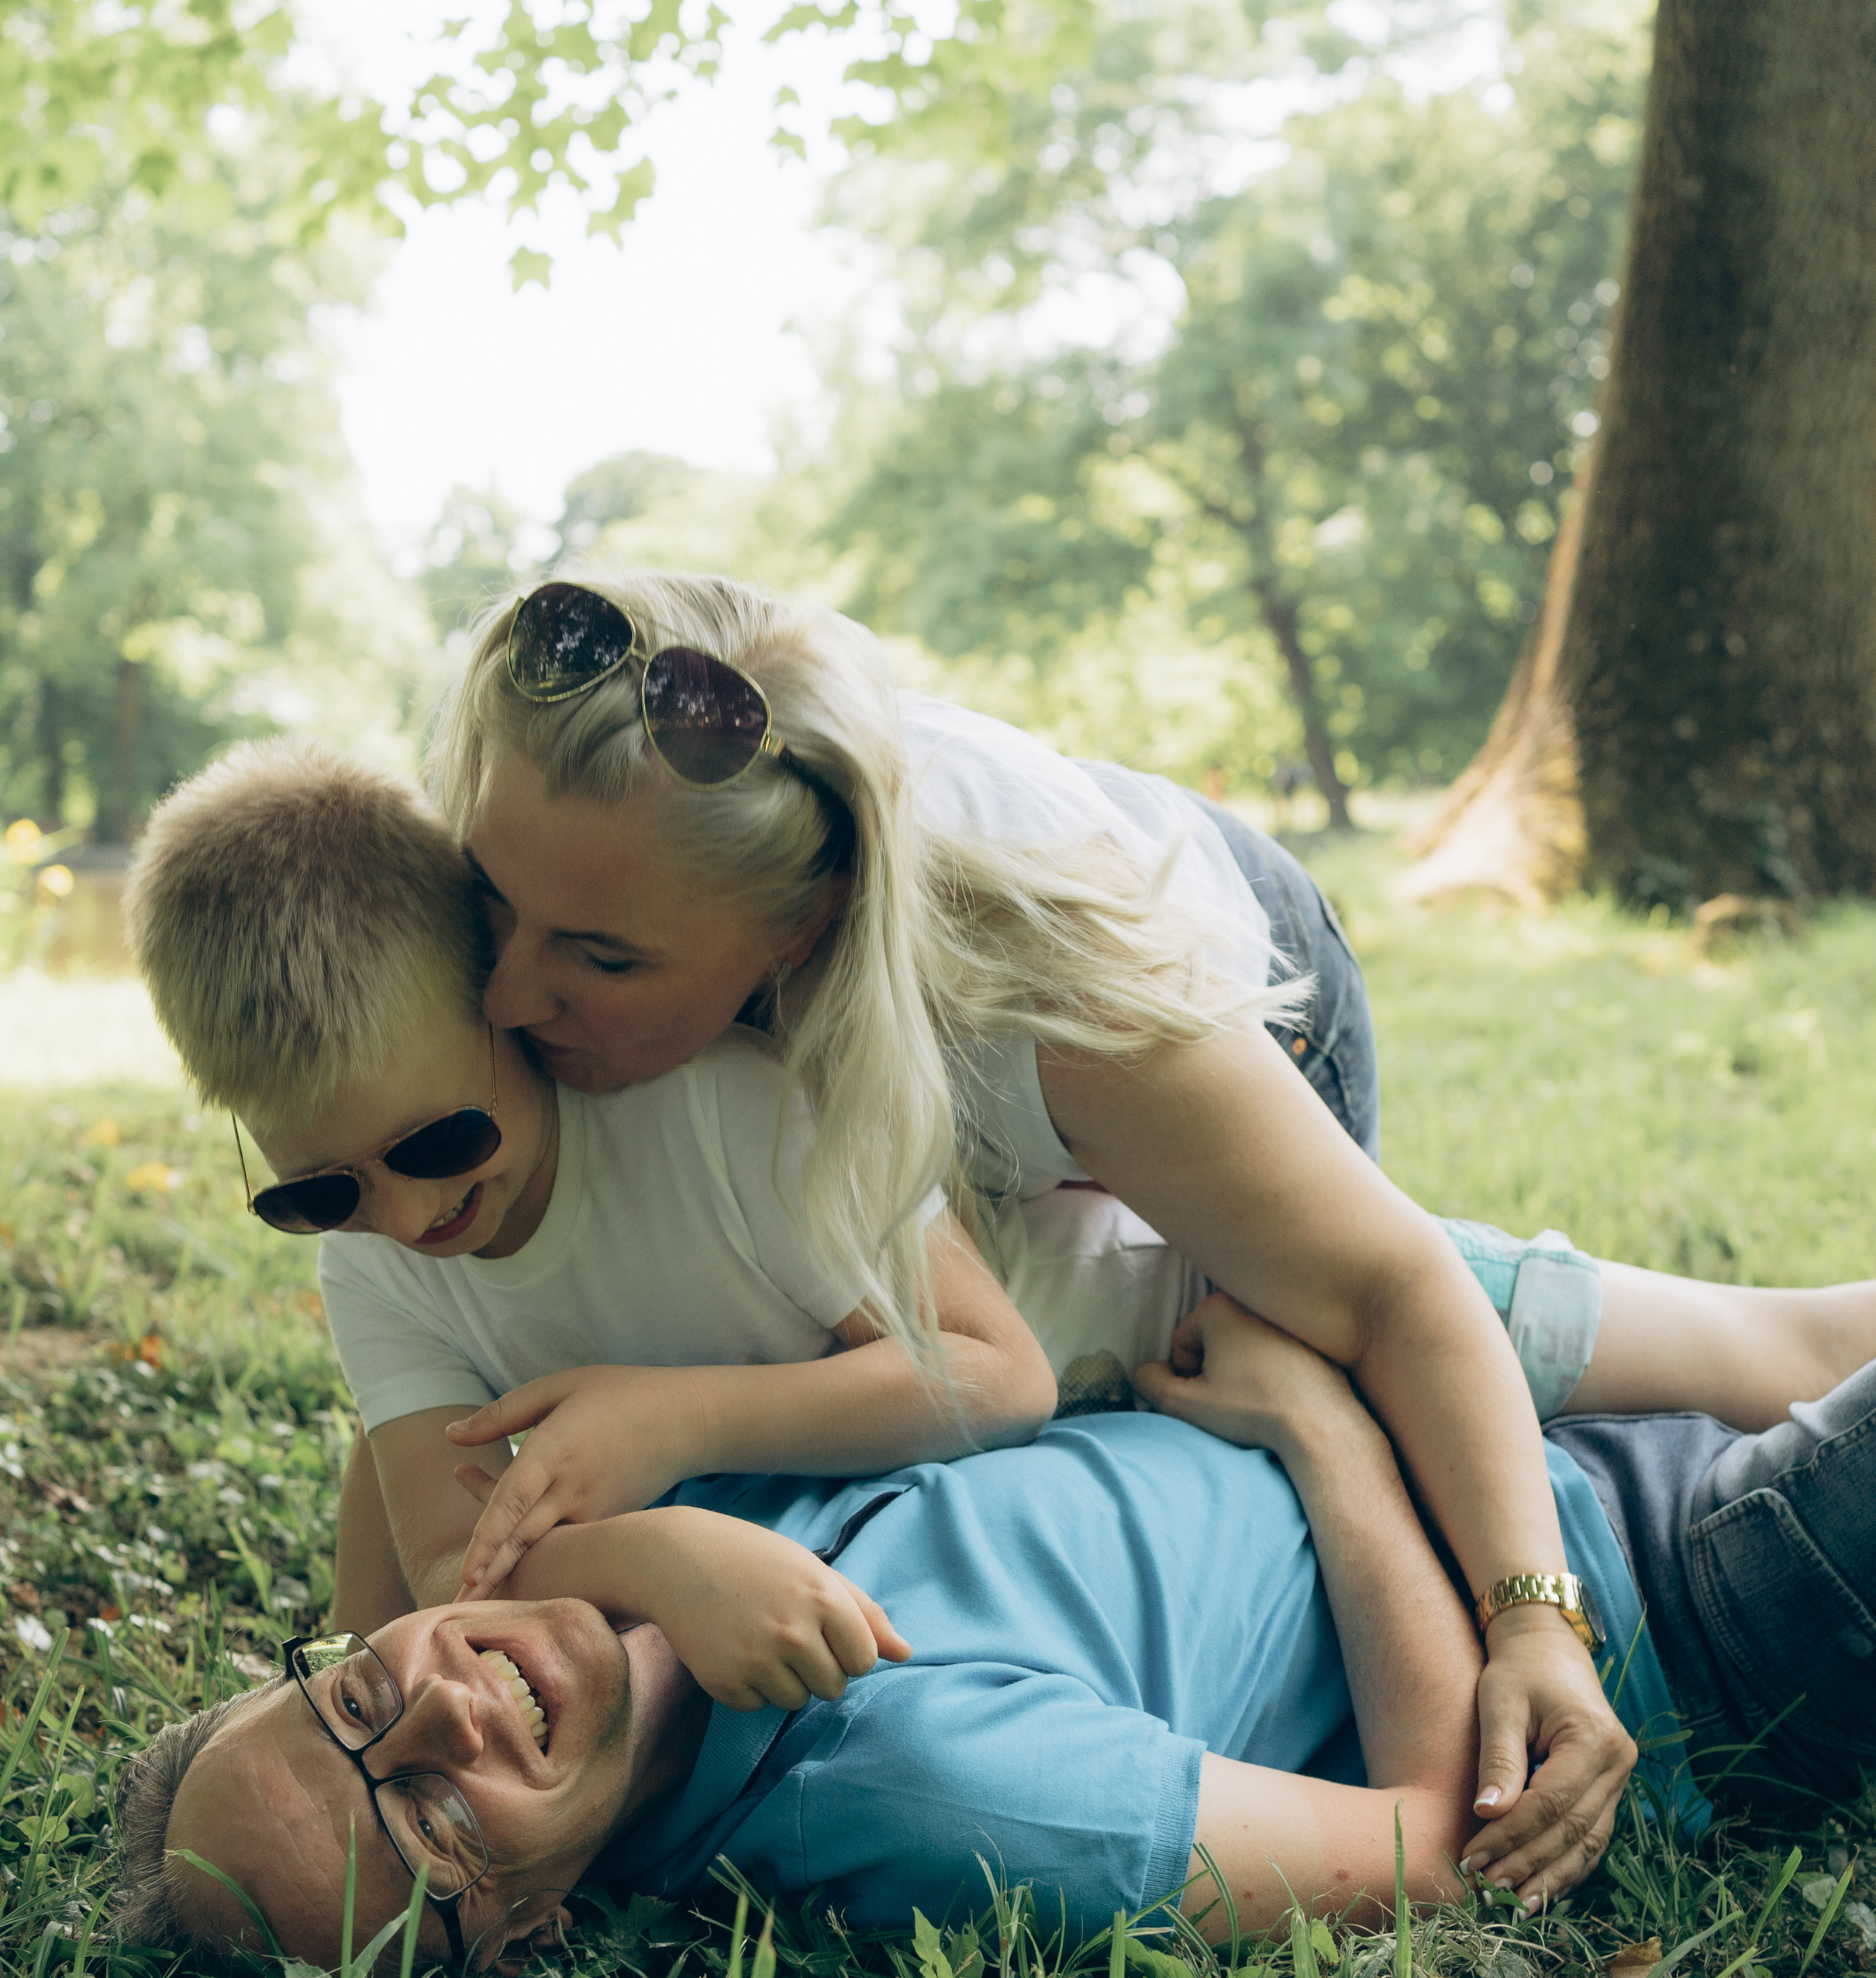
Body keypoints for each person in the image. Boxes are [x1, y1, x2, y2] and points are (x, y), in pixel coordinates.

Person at [423, 567, 1876, 1907]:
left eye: (601, 960)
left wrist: (1533, 1620)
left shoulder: (1030, 993)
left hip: (1219, 989)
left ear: (795, 937)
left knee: (1322, 1338)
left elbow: (1389, 1291)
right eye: (494, 900)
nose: (503, 996)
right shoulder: (593, 857)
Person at [112, 1286, 1876, 1978]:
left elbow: (393, 1437)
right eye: (422, 1817)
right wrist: (1322, 1439)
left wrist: (646, 1552)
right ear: (520, 1928)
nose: (439, 1713)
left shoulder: (606, 1510)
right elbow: (1436, 1836)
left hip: (1475, 1400)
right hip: (1673, 1594)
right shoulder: (925, 1789)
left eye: (361, 1694)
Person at [123, 739, 1056, 1640]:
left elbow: (998, 1375)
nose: (405, 1220)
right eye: (320, 1194)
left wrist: (677, 1420)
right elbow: (451, 1566)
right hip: (760, 1581)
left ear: (505, 1000)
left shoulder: (727, 1116)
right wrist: (647, 1556)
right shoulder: (372, 1269)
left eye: (441, 1141)